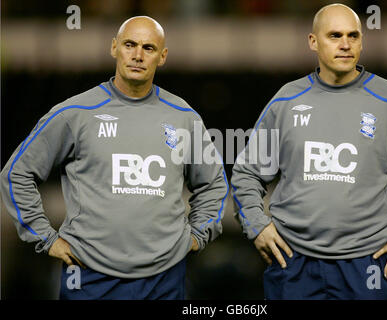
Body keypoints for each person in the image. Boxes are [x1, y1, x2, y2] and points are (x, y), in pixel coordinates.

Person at [231, 4, 387, 299]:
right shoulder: (286, 101)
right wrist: (257, 226)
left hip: (368, 264)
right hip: (293, 262)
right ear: (313, 41)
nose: (346, 44)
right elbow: (247, 173)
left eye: (353, 36)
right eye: (335, 35)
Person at [0, 16, 228, 300]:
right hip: (89, 277)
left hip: (164, 278)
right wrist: (46, 239)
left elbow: (214, 185)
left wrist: (197, 235)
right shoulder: (75, 113)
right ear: (114, 48)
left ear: (163, 56)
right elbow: (16, 174)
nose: (137, 55)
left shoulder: (184, 117)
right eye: (129, 44)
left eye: (148, 48)